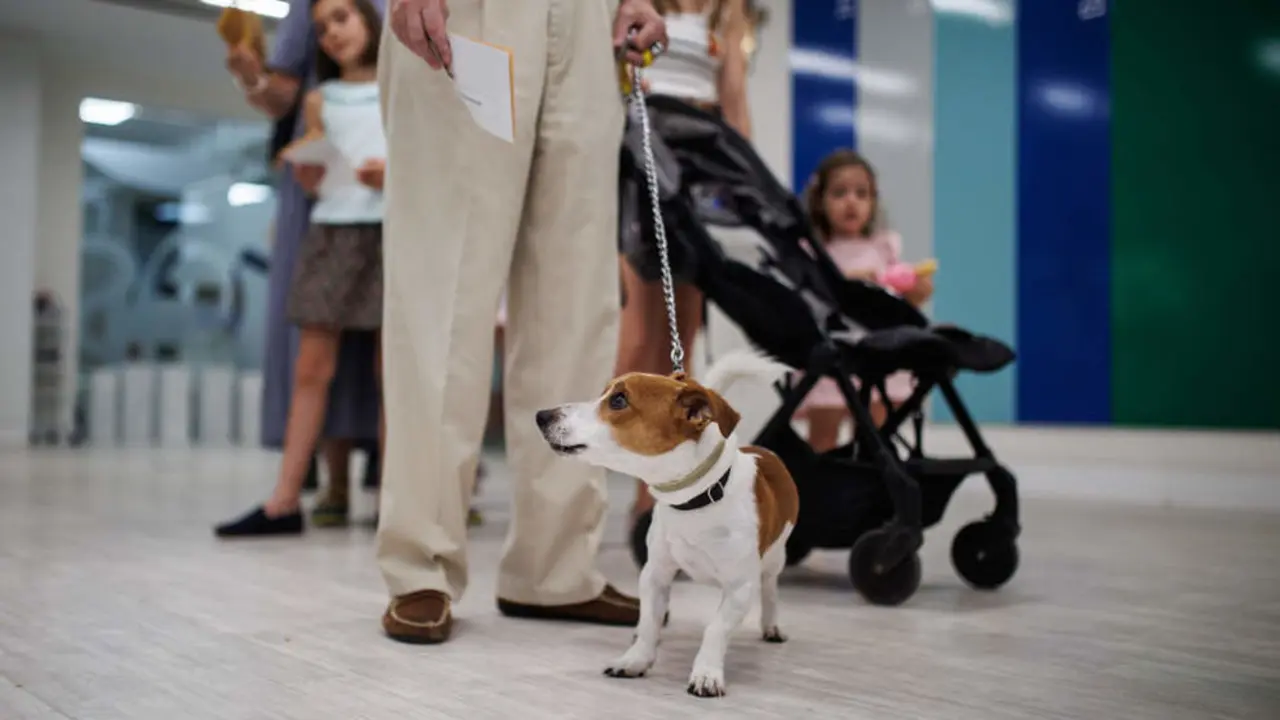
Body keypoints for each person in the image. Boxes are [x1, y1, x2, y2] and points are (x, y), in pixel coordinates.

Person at [375, 0, 667, 644]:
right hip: (467, 13)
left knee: (576, 303)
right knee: (443, 292)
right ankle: (419, 564)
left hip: (591, 25)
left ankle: (554, 568)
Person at [216, 0, 388, 536]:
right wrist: (312, 174)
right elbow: (312, 160)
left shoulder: (404, 95)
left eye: (343, 18)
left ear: (370, 18)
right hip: (331, 234)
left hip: (391, 233)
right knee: (310, 369)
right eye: (321, 28)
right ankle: (284, 498)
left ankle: (394, 501)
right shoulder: (319, 99)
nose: (333, 32)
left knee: (393, 375)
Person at [614, 0, 754, 545]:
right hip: (644, 157)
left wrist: (741, 178)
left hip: (700, 169)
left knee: (682, 340)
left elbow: (735, 99)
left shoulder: (729, 11)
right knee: (642, 334)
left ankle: (662, 491)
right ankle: (617, 476)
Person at [798, 149, 934, 452]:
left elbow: (895, 306)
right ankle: (822, 493)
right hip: (831, 357)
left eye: (862, 194)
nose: (851, 202)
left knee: (876, 435)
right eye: (839, 193)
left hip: (877, 357)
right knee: (822, 438)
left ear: (873, 203)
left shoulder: (884, 247)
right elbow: (808, 300)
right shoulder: (814, 251)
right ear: (819, 201)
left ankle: (870, 489)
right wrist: (848, 282)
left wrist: (914, 294)